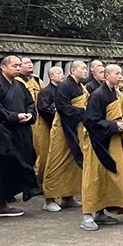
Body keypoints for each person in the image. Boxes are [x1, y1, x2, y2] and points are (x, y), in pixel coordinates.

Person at [0, 56, 41, 223]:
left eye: (19, 65)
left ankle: (2, 205)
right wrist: (14, 116)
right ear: (3, 67)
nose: (18, 68)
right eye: (14, 65)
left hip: (18, 133)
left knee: (12, 168)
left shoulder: (20, 85)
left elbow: (30, 103)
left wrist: (30, 114)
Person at [79, 64, 123, 231]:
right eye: (117, 73)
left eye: (121, 73)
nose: (120, 76)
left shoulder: (115, 94)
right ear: (107, 76)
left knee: (109, 176)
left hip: (112, 141)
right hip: (97, 142)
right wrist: (114, 126)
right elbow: (90, 120)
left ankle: (101, 212)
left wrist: (120, 124)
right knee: (94, 178)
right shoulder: (98, 95)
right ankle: (87, 215)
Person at [43, 60, 89, 213]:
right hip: (63, 127)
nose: (85, 70)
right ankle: (49, 199)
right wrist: (84, 112)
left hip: (76, 127)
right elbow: (63, 109)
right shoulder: (64, 86)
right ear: (73, 71)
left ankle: (67, 196)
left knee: (73, 162)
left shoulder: (80, 86)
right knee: (57, 160)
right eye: (82, 68)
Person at [34, 66, 64, 184]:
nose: (62, 75)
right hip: (47, 125)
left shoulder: (63, 90)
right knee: (44, 154)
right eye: (58, 73)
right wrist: (56, 116)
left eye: (62, 73)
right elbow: (43, 108)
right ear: (51, 76)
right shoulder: (46, 91)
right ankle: (39, 181)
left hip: (59, 126)